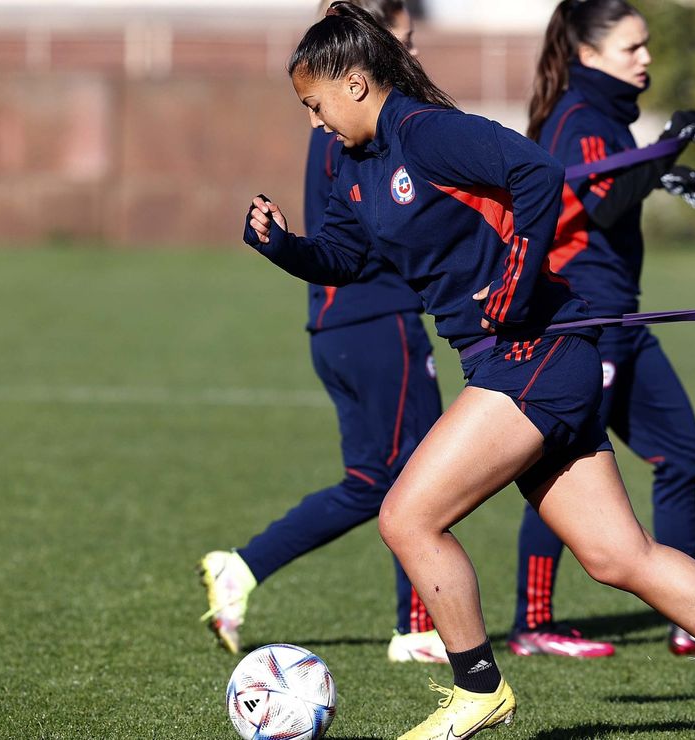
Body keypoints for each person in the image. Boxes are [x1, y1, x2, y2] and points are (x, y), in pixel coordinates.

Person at [242, 4, 695, 739]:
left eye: (315, 104)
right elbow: (347, 260)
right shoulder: (357, 168)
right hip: (521, 363)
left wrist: (515, 282)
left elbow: (539, 173)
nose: (315, 121)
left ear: (354, 84)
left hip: (536, 354)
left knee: (407, 516)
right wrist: (283, 246)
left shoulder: (425, 131)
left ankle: (478, 688)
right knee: (618, 556)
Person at [199, 0, 449, 664]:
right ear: (364, 56)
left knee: (373, 481)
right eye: (405, 41)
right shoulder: (356, 131)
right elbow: (358, 238)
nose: (413, 54)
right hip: (377, 323)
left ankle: (241, 568)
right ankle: (419, 626)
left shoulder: (348, 128)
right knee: (424, 476)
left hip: (336, 327)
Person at [506, 0, 695, 659]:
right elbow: (599, 203)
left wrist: (658, 169)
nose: (646, 58)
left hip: (621, 316)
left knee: (680, 452)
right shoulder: (580, 114)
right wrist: (670, 147)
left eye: (646, 45)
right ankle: (533, 624)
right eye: (632, 49)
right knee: (559, 465)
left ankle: (692, 618)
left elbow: (606, 187)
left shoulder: (599, 116)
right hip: (586, 320)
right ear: (590, 56)